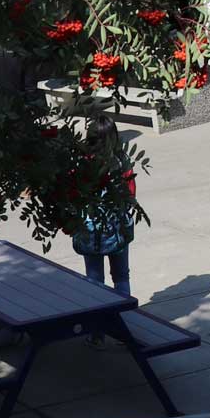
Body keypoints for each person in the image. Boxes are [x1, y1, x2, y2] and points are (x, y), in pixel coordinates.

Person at [74, 112, 136, 297]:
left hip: (89, 229)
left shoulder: (81, 162)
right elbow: (130, 193)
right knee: (121, 276)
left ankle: (98, 314)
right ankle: (124, 313)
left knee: (94, 278)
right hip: (117, 228)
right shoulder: (121, 160)